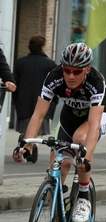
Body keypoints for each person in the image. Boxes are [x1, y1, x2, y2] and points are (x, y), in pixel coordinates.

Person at [13, 43, 106, 222]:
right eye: (67, 70)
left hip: (98, 118)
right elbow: (38, 115)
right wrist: (26, 145)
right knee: (56, 170)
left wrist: (87, 158)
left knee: (80, 141)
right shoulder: (54, 76)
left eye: (76, 72)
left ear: (87, 69)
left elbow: (93, 125)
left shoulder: (96, 81)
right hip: (69, 117)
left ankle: (83, 197)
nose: (71, 76)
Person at [14, 34, 58, 163]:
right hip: (43, 101)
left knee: (27, 124)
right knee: (40, 126)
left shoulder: (21, 62)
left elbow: (15, 81)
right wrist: (54, 101)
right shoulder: (50, 64)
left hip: (24, 100)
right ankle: (34, 145)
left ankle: (27, 143)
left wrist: (15, 100)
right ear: (43, 47)